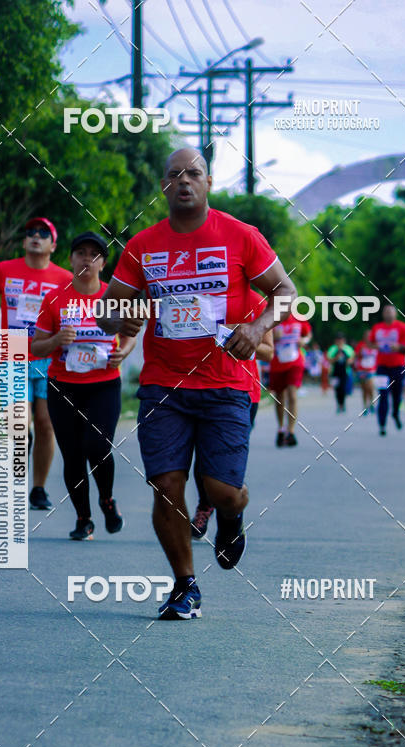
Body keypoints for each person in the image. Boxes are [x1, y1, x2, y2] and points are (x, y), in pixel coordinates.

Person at [97, 147, 297, 620]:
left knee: (223, 490)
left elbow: (286, 294)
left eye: (194, 173)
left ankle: (230, 517)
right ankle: (185, 585)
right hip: (163, 385)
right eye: (174, 174)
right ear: (163, 186)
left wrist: (257, 328)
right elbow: (108, 309)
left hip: (228, 384)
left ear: (208, 183)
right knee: (167, 486)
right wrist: (118, 319)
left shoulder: (240, 235)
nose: (184, 181)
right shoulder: (143, 245)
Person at [31, 232, 135, 539]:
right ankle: (83, 519)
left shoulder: (115, 298)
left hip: (104, 385)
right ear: (71, 259)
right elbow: (36, 348)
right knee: (73, 455)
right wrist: (55, 341)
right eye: (80, 253)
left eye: (94, 254)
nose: (87, 259)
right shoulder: (54, 299)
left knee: (98, 446)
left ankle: (107, 500)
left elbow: (131, 333)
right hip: (63, 386)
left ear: (103, 263)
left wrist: (123, 352)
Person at [0, 217, 71, 510]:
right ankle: (16, 481)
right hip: (14, 349)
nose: (36, 236)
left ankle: (39, 489)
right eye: (30, 232)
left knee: (45, 424)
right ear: (23, 241)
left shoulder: (65, 278)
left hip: (49, 355)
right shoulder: (4, 270)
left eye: (44, 233)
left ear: (53, 245)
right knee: (18, 424)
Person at [190, 325, 274, 540]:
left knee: (226, 457)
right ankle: (205, 506)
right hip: (202, 385)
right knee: (202, 454)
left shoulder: (258, 302)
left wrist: (241, 341)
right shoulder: (206, 295)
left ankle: (229, 510)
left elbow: (269, 352)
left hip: (243, 393)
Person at [368, 304, 405, 436]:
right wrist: (377, 346)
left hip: (398, 366)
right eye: (386, 312)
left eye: (390, 311)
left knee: (397, 395)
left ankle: (395, 414)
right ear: (383, 314)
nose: (388, 314)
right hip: (382, 366)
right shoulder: (377, 328)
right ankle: (382, 424)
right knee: (383, 395)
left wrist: (398, 347)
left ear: (395, 314)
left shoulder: (403, 328)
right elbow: (370, 343)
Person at [269, 312, 312, 446]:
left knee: (292, 394)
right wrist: (273, 337)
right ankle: (281, 428)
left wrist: (304, 341)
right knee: (279, 397)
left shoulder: (299, 317)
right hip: (277, 362)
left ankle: (291, 431)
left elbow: (308, 334)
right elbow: (263, 336)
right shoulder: (272, 316)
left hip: (295, 361)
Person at [326, 334, 355, 413]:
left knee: (343, 388)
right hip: (334, 372)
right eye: (338, 340)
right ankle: (339, 404)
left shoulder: (348, 349)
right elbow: (329, 360)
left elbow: (352, 358)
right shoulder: (332, 349)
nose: (339, 341)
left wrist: (349, 361)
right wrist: (336, 358)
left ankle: (343, 404)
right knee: (337, 389)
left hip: (345, 372)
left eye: (341, 340)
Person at [353, 330, 377, 415]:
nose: (368, 337)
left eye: (370, 336)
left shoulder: (375, 345)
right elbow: (355, 355)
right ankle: (365, 406)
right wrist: (360, 352)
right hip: (362, 369)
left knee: (370, 387)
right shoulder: (361, 345)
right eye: (367, 336)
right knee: (364, 389)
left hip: (371, 369)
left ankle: (372, 403)